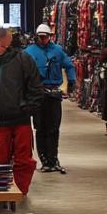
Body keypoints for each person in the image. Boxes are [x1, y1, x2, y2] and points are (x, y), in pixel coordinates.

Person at [0, 26, 45, 194]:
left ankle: (20, 192)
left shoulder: (24, 59)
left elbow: (36, 87)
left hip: (21, 120)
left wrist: (29, 108)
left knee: (24, 161)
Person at [25, 23, 76, 174]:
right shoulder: (28, 52)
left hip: (53, 94)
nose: (43, 39)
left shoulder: (57, 51)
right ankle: (45, 160)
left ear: (49, 36)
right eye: (40, 37)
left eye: (45, 37)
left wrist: (72, 81)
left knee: (53, 128)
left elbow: (69, 65)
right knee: (40, 128)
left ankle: (53, 158)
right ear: (36, 37)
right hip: (37, 94)